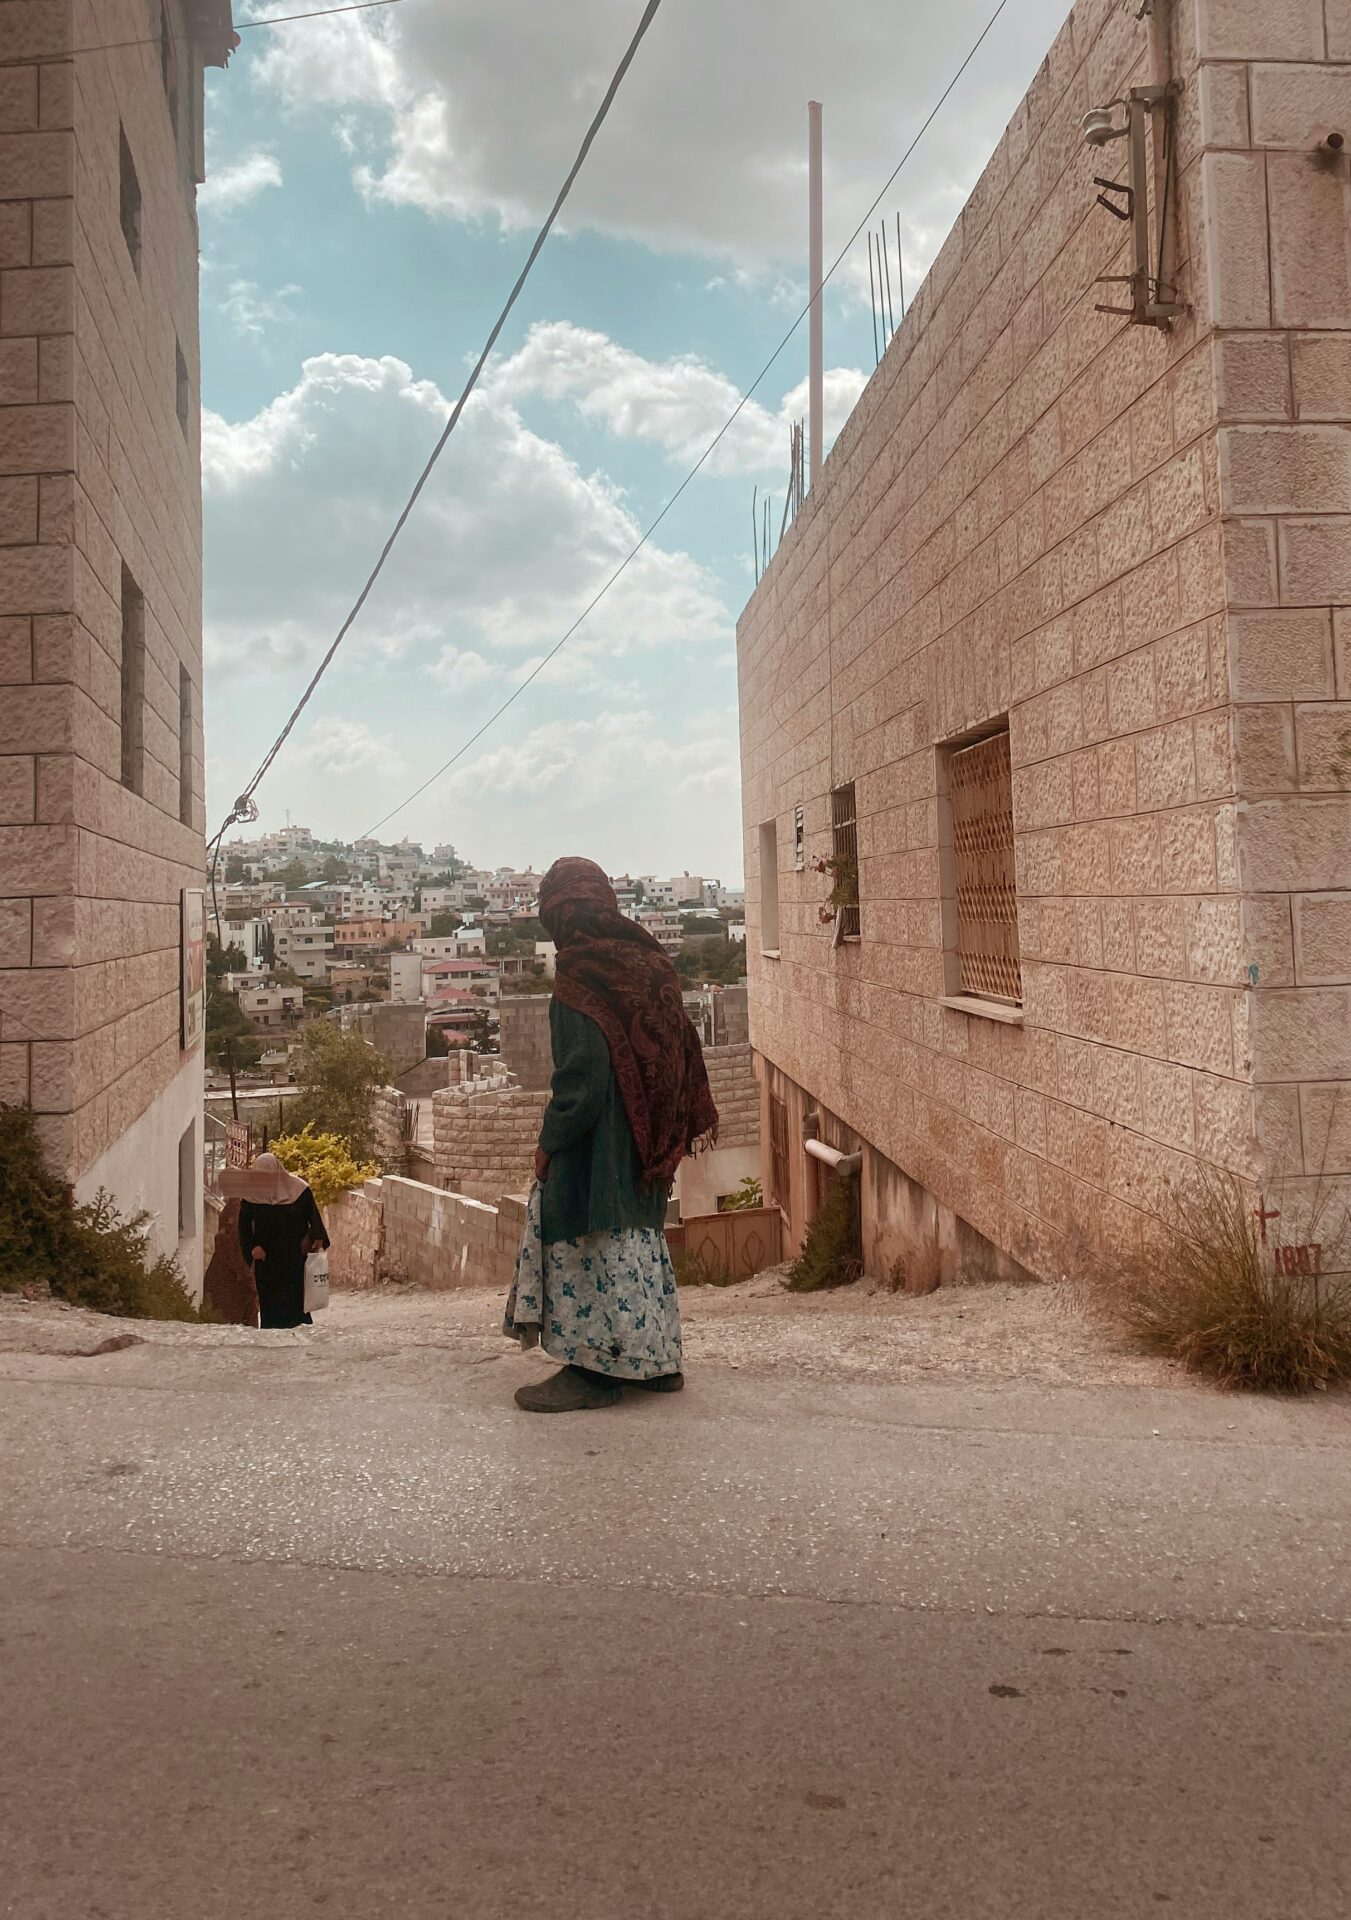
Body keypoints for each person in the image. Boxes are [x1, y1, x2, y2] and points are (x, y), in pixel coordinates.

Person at [505, 857, 720, 1412]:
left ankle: (593, 1369)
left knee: (590, 1244)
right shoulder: (651, 962)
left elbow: (583, 1079)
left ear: (559, 915)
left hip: (601, 1148)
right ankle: (656, 1363)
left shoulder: (580, 977)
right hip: (649, 1145)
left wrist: (550, 1142)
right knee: (639, 1244)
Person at [237, 1152, 330, 1330]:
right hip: (267, 1260)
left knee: (296, 1299)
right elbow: (244, 1227)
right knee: (270, 1302)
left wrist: (313, 1239)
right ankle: (271, 1335)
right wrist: (252, 1248)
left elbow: (314, 1219)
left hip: (295, 1256)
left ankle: (302, 1332)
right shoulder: (251, 1195)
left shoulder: (299, 1189)